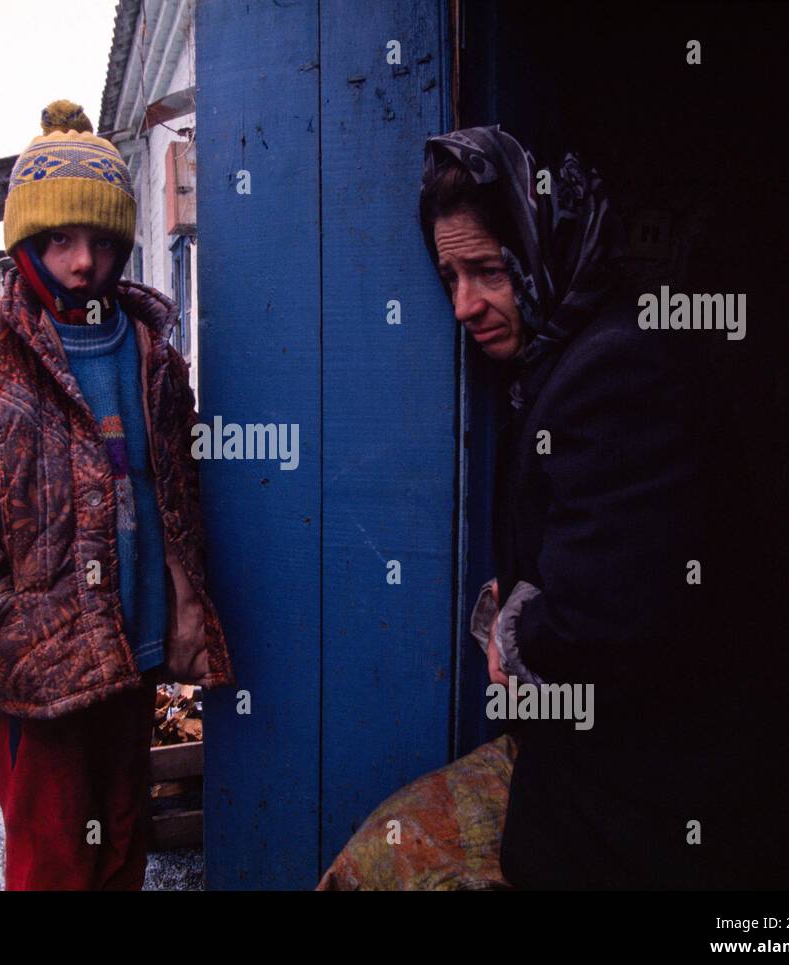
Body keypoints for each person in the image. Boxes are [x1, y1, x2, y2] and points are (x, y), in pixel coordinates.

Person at [319, 124, 755, 890]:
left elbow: (604, 617)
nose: (463, 304)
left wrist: (518, 628)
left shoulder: (614, 367)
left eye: (487, 270)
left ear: (545, 240)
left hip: (631, 806)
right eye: (449, 275)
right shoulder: (557, 358)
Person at [0, 100, 235, 890]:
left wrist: (184, 600)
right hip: (35, 672)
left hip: (134, 646)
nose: (84, 262)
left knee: (121, 843)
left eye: (102, 240)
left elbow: (177, 485)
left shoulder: (150, 349)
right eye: (61, 239)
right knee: (51, 862)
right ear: (25, 241)